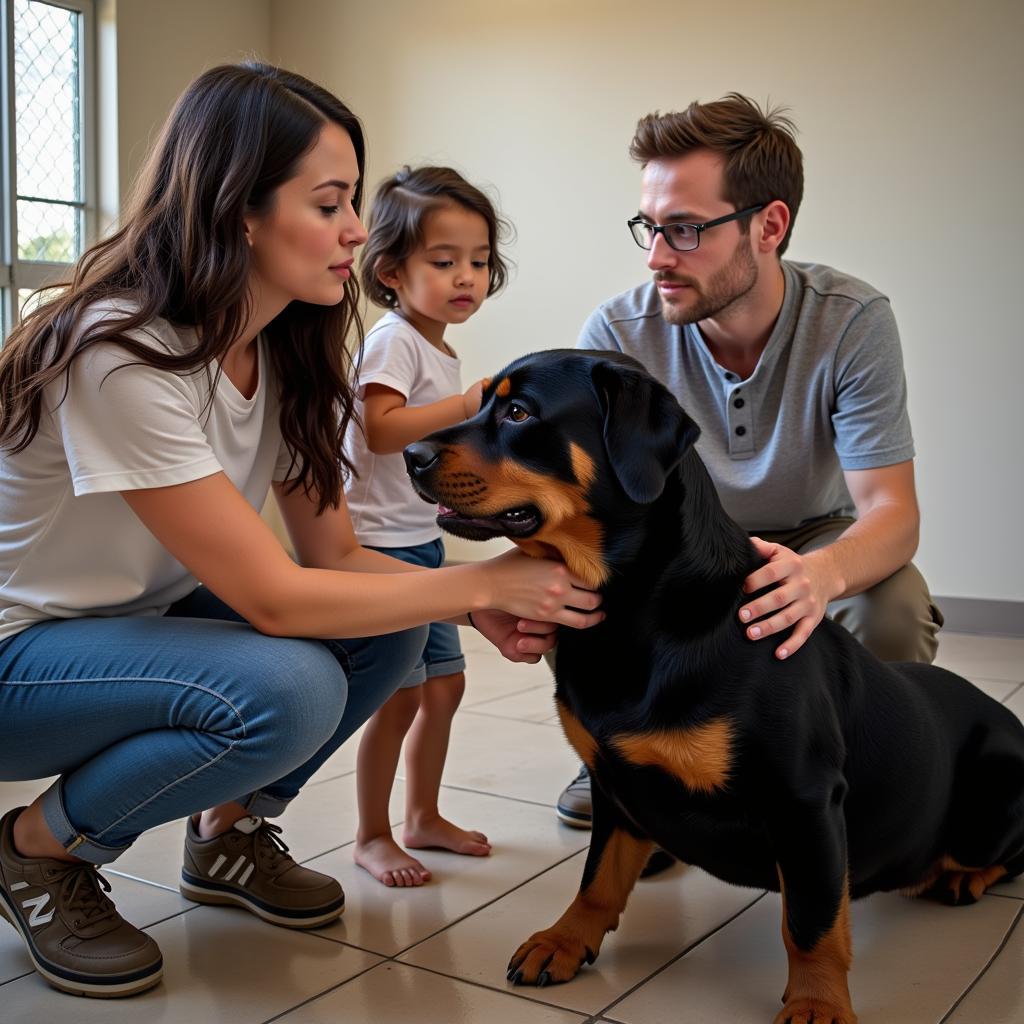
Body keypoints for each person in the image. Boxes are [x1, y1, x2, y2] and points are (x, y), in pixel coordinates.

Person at [0, 62, 603, 999]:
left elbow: (335, 554)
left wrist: (458, 605)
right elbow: (275, 598)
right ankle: (38, 852)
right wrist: (484, 582)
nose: (360, 232)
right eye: (330, 204)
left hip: (124, 631)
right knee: (283, 685)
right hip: (18, 660)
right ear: (241, 210)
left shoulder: (280, 348)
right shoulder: (120, 350)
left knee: (392, 618)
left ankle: (228, 834)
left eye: (353, 201)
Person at [556, 92, 942, 829]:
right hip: (678, 546)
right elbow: (593, 504)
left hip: (809, 533)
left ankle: (869, 774)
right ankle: (627, 768)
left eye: (686, 230)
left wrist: (820, 574)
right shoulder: (617, 331)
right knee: (579, 580)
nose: (656, 256)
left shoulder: (851, 321)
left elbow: (892, 512)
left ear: (770, 225)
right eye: (650, 226)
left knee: (891, 608)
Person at [346, 166, 507, 887]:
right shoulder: (394, 342)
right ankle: (372, 833)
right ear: (390, 270)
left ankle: (422, 816)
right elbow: (380, 431)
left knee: (444, 688)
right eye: (443, 263)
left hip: (420, 540)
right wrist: (466, 405)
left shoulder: (436, 346)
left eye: (477, 262)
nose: (465, 277)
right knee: (402, 694)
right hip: (381, 546)